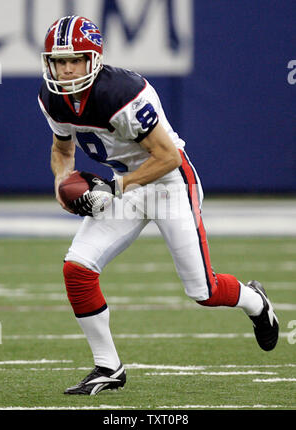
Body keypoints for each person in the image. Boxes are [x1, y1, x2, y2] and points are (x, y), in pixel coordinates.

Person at [38, 15, 279, 396]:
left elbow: (167, 157)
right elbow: (62, 148)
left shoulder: (123, 93)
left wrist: (117, 186)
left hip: (168, 184)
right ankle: (108, 366)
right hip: (124, 186)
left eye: (76, 59)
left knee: (203, 291)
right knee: (78, 268)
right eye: (59, 60)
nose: (66, 69)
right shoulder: (52, 97)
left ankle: (255, 301)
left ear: (94, 59)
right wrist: (61, 185)